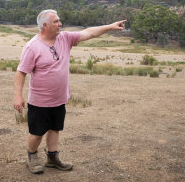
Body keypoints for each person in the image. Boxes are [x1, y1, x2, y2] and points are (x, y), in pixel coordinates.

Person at [13, 9, 126, 174]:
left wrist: (110, 26)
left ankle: (52, 158)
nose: (60, 24)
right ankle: (32, 157)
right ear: (44, 25)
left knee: (55, 129)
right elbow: (21, 72)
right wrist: (17, 96)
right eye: (56, 21)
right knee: (37, 133)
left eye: (59, 20)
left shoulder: (64, 38)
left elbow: (89, 33)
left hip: (59, 99)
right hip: (40, 101)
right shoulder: (32, 47)